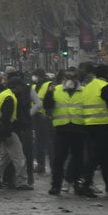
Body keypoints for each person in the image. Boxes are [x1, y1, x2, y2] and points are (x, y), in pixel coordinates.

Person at [78, 64, 108, 198]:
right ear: (107, 74)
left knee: (105, 158)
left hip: (90, 125)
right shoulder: (106, 87)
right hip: (105, 126)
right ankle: (85, 184)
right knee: (96, 157)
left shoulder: (88, 88)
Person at [0, 77, 31, 190]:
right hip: (8, 131)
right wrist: (7, 134)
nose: (22, 89)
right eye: (20, 86)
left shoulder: (5, 94)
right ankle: (21, 182)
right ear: (16, 86)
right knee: (19, 157)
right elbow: (6, 118)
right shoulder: (10, 98)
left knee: (4, 158)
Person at [43, 67, 85, 195]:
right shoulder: (56, 90)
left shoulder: (84, 91)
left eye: (72, 77)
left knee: (78, 159)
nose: (70, 80)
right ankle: (56, 185)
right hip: (62, 129)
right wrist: (49, 94)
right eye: (67, 77)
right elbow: (47, 106)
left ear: (77, 78)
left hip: (79, 129)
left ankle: (77, 183)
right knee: (58, 159)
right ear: (63, 78)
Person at [32, 69, 54, 174]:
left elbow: (51, 100)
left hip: (46, 117)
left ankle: (53, 166)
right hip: (36, 117)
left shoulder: (49, 85)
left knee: (49, 142)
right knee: (39, 142)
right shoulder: (33, 86)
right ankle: (40, 165)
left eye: (35, 76)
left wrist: (48, 114)